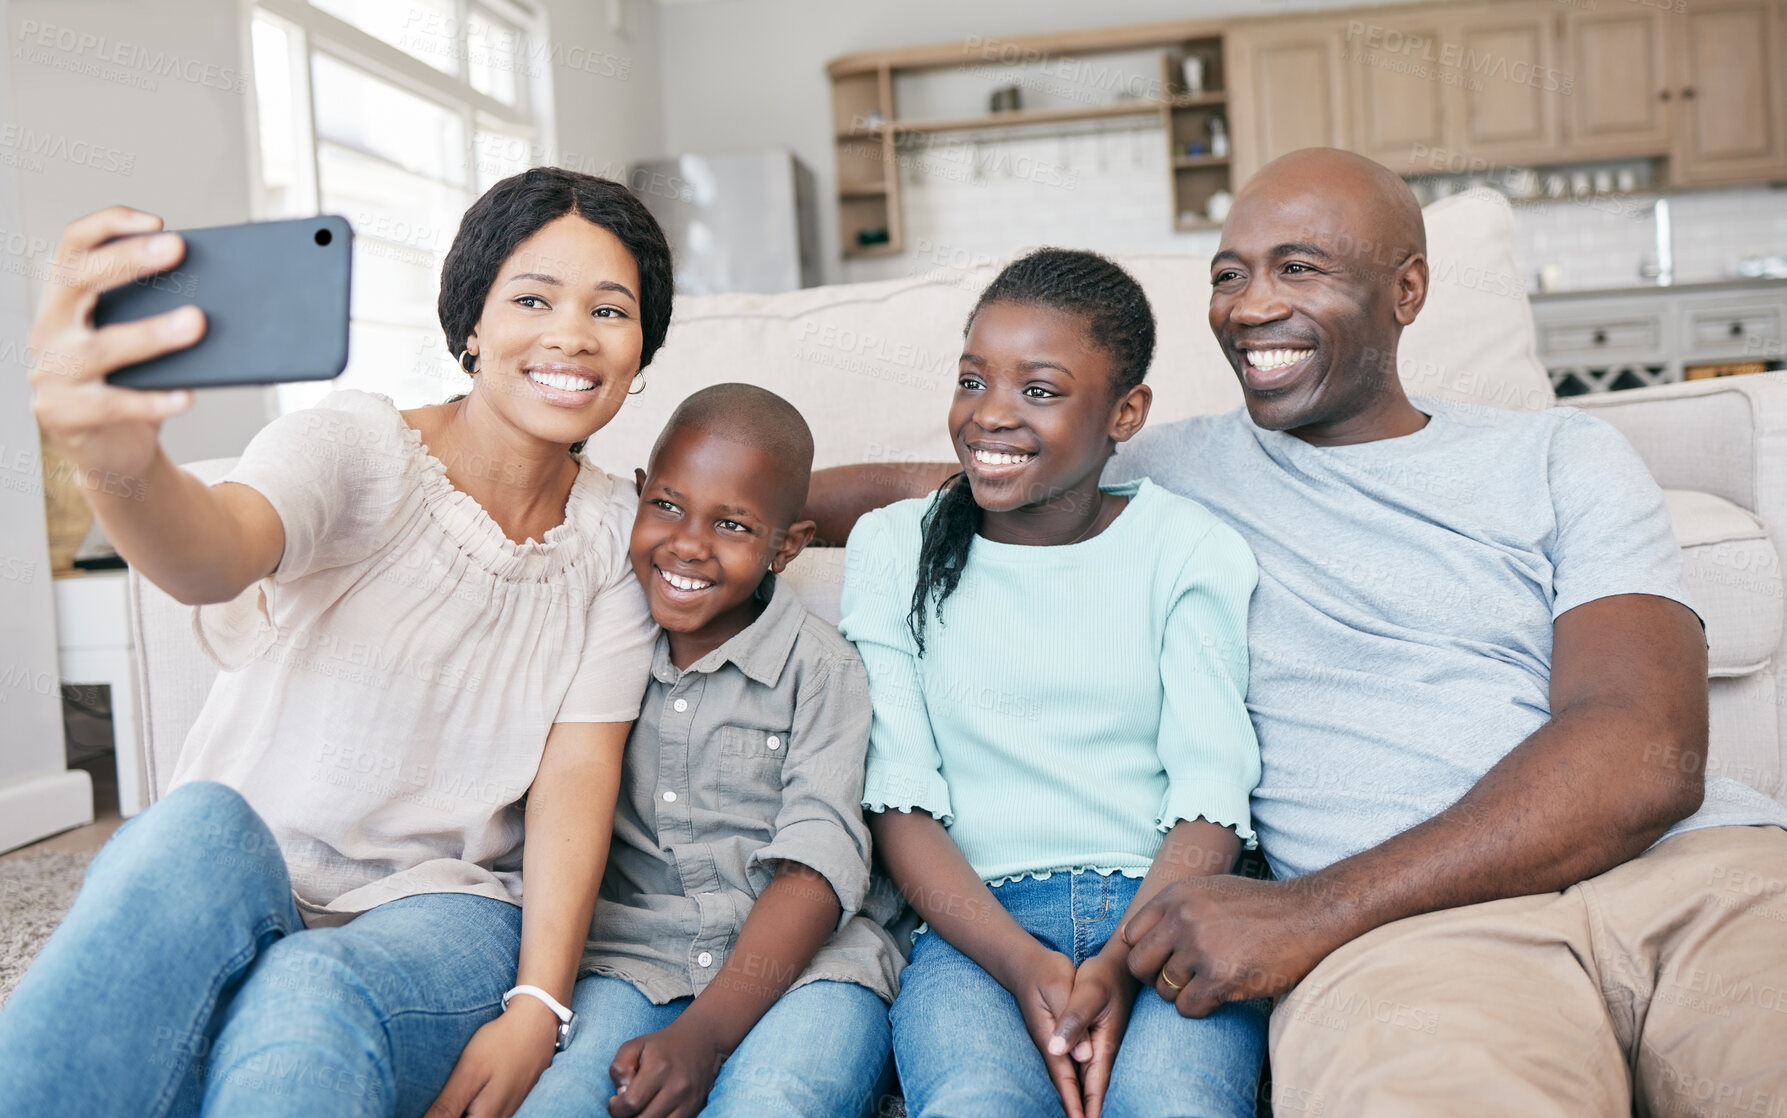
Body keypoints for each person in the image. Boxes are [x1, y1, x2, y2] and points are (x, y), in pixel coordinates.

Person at [808, 148, 1787, 1115]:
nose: (1248, 303)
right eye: (1227, 274)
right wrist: (698, 512)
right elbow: (954, 477)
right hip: (1416, 948)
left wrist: (1308, 909)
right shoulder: (1165, 475)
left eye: (1297, 267)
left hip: (1691, 881)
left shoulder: (1558, 453)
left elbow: (1643, 755)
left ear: (1404, 289)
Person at [5, 166, 673, 1118]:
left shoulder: (615, 535)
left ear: (641, 349)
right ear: (471, 326)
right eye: (532, 298)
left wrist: (538, 1001)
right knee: (188, 824)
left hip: (444, 909)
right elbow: (216, 554)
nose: (571, 333)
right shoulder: (357, 445)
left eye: (611, 310)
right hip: (251, 867)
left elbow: (577, 775)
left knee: (310, 988)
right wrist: (117, 462)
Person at [839, 248, 1266, 1118]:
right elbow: (899, 801)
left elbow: (1209, 792)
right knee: (974, 1100)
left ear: (1125, 412)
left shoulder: (1188, 547)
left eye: (1039, 390)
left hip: (1167, 916)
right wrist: (1019, 961)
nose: (991, 415)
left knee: (1175, 1101)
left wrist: (1117, 963)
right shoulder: (891, 549)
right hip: (973, 933)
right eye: (972, 381)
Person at [515, 384, 902, 1118]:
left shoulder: (823, 670)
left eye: (732, 524)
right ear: (637, 495)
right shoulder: (599, 639)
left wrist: (703, 1036)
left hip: (811, 972)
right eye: (666, 505)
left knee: (773, 1101)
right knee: (562, 1102)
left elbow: (815, 867)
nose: (688, 543)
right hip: (631, 961)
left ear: (787, 546)